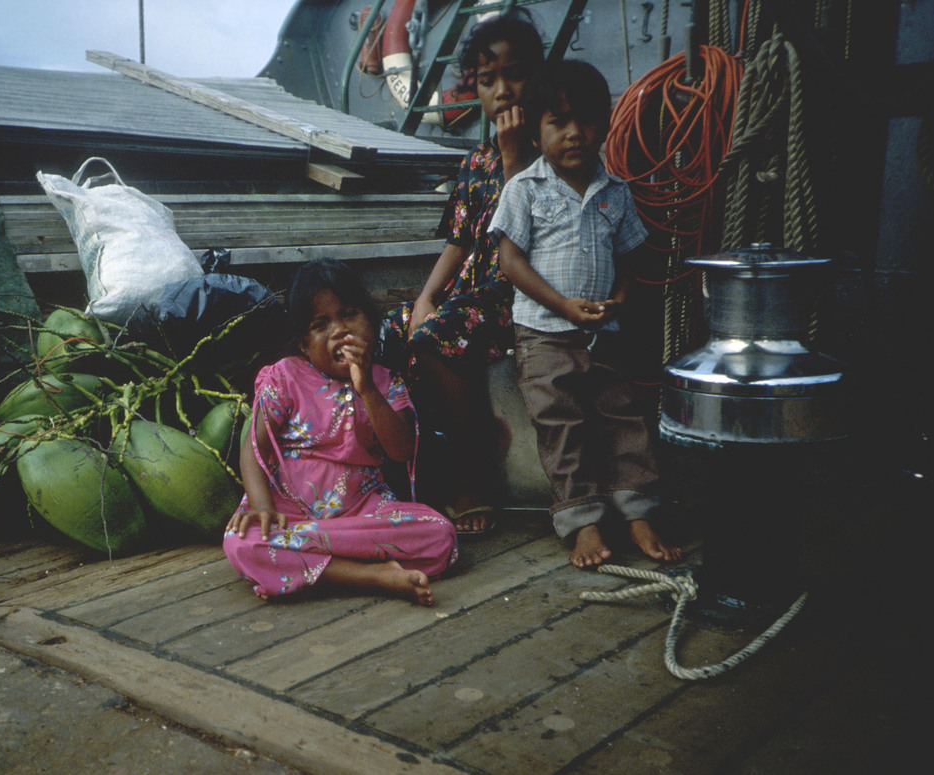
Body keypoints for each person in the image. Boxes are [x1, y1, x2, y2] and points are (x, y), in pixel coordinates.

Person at [489, 59, 682, 569]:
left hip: (603, 334)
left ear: (604, 125)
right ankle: (583, 523)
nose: (574, 134)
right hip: (544, 334)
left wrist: (619, 298)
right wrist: (562, 305)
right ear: (535, 130)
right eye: (558, 122)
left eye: (586, 121)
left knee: (624, 417)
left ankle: (637, 512)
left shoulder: (615, 192)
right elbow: (509, 260)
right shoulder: (524, 189)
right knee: (562, 426)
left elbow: (630, 257)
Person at [384, 11, 545, 535]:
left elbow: (525, 236)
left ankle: (472, 467)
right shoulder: (475, 162)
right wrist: (426, 298)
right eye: (487, 79)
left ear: (537, 76)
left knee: (433, 339)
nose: (502, 90)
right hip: (465, 296)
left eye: (514, 74)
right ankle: (417, 468)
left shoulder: (550, 155)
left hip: (513, 294)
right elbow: (457, 242)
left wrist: (515, 155)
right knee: (396, 329)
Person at [224, 258, 458, 605]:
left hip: (362, 511)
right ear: (303, 344)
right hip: (291, 512)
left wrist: (368, 391)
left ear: (372, 322)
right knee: (241, 543)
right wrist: (260, 505)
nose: (339, 330)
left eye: (349, 313)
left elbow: (401, 451)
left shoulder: (385, 381)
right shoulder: (286, 376)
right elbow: (253, 448)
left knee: (441, 537)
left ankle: (313, 568)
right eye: (321, 324)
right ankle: (374, 575)